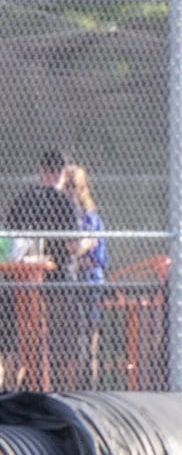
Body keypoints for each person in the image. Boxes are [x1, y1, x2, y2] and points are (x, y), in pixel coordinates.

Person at [5, 150, 80, 390]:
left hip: (22, 282)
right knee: (56, 341)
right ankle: (55, 389)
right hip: (56, 281)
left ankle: (11, 388)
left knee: (18, 339)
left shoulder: (25, 198)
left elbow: (9, 239)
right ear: (62, 174)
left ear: (41, 171)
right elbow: (73, 246)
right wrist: (87, 243)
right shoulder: (66, 201)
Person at [60, 163, 108, 389]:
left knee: (90, 337)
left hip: (89, 281)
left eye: (73, 186)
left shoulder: (91, 218)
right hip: (69, 282)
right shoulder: (59, 214)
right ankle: (69, 385)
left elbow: (94, 254)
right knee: (70, 337)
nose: (69, 190)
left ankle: (90, 385)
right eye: (66, 185)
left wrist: (78, 254)